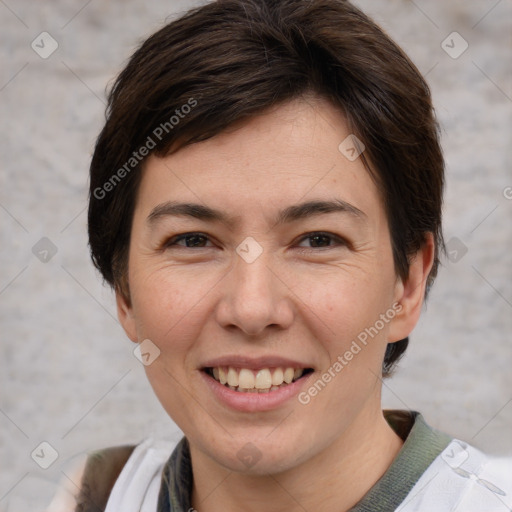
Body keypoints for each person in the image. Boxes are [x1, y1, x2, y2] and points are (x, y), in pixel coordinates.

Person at [46, 0, 512, 510]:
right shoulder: (97, 492)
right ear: (125, 291)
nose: (251, 309)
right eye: (193, 240)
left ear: (408, 283)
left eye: (317, 240)